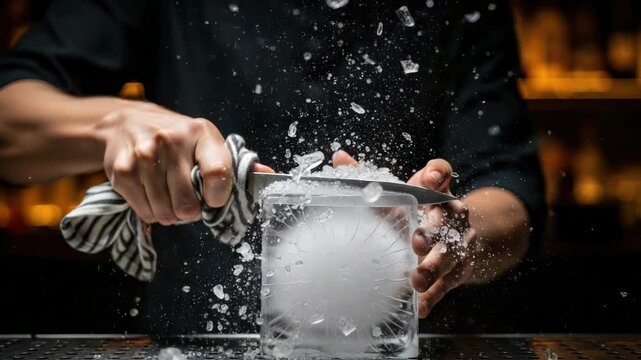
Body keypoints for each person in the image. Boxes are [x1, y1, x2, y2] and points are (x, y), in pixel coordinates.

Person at [0, 0, 544, 335]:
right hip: (197, 345)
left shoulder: (460, 7)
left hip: (409, 343)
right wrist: (113, 123)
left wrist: (457, 234)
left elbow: (511, 194)